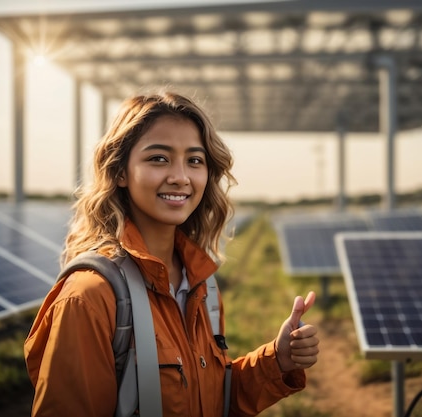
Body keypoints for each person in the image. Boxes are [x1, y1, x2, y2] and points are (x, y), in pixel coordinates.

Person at [24, 91, 319, 416]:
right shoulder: (89, 298)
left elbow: (210, 400)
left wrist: (277, 360)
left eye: (194, 160)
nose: (180, 177)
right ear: (120, 172)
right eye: (158, 159)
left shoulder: (202, 286)